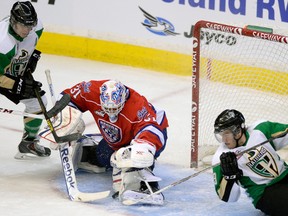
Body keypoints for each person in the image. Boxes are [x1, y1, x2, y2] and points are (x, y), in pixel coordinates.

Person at [41, 79, 169, 205]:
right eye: (107, 108)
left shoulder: (138, 107)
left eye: (116, 108)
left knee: (130, 161)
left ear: (123, 99)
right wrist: (63, 117)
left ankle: (144, 182)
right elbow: (69, 96)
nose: (111, 113)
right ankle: (91, 150)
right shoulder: (91, 90)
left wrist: (143, 148)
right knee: (103, 156)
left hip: (153, 133)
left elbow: (151, 129)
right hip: (119, 138)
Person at [212, 109, 288, 216]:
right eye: (221, 135)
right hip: (264, 192)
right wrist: (229, 176)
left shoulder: (260, 129)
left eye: (227, 134)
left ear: (238, 131)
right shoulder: (221, 157)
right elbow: (229, 198)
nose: (224, 139)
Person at [0, 1, 50, 159]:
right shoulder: (3, 43)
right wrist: (17, 84)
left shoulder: (36, 28)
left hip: (10, 70)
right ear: (13, 23)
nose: (28, 30)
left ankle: (29, 143)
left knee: (38, 102)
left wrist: (31, 57)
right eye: (24, 26)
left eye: (31, 25)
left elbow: (29, 45)